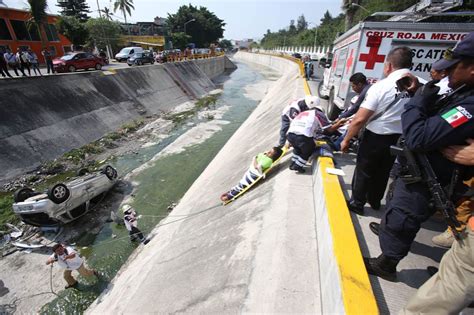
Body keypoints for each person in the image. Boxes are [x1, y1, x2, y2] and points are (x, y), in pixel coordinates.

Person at [364, 32, 474, 282]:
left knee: (405, 216)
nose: (447, 74)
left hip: (429, 176)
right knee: (397, 208)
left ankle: (387, 262)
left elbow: (419, 137)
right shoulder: (462, 93)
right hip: (417, 170)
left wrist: (416, 103)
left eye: (454, 68)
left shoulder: (469, 107)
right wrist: (419, 96)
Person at [341, 46, 417, 215]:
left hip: (376, 136)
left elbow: (360, 118)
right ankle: (375, 201)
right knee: (383, 171)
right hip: (399, 138)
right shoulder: (420, 85)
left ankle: (357, 203)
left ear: (389, 65)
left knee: (364, 169)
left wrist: (346, 140)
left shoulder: (381, 86)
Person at [287, 107, 347, 173]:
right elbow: (330, 130)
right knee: (308, 150)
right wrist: (338, 124)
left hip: (290, 134)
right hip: (302, 135)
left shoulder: (304, 113)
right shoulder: (319, 114)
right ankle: (297, 166)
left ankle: (292, 163)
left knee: (298, 149)